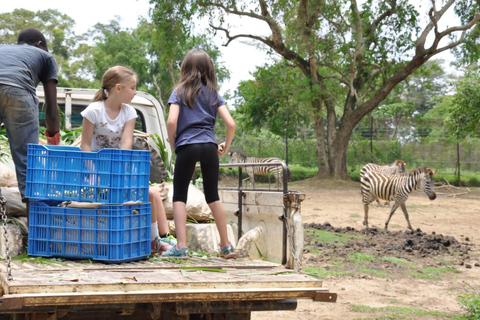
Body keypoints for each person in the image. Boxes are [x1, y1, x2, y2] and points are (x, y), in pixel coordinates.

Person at [80, 66, 176, 252]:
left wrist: (122, 173)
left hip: (118, 168)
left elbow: (126, 144)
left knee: (153, 193)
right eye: (132, 88)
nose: (135, 91)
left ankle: (160, 238)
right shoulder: (93, 111)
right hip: (97, 169)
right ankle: (157, 239)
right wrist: (92, 174)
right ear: (118, 88)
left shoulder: (129, 112)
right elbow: (85, 145)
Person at [163, 50, 236, 258]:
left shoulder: (179, 92)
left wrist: (173, 143)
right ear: (209, 70)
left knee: (179, 196)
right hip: (209, 146)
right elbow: (230, 123)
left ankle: (181, 247)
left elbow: (171, 121)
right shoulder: (213, 94)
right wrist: (225, 146)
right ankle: (226, 245)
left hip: (187, 145)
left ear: (185, 69)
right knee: (213, 195)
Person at [0, 28, 60, 202]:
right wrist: (53, 137)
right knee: (27, 164)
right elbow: (51, 107)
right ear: (40, 45)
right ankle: (33, 227)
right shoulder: (45, 56)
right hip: (18, 92)